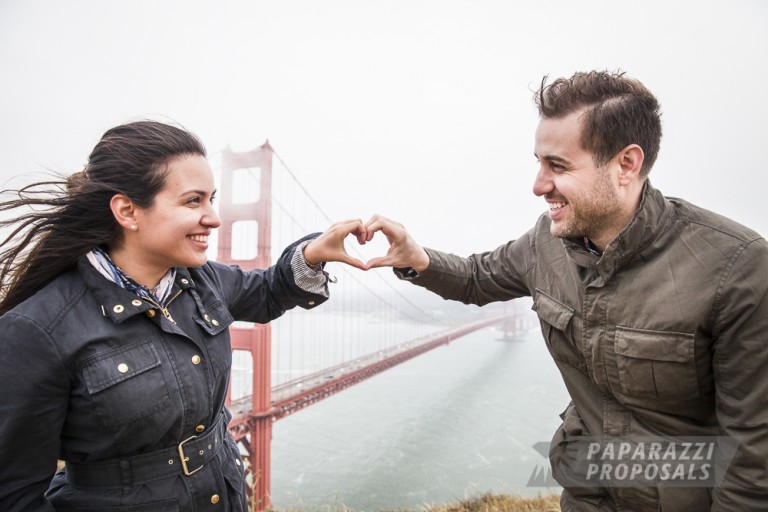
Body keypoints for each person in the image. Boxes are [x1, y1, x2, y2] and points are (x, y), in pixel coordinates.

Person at [364, 71, 768, 511]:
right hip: (586, 496)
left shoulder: (736, 268)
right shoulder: (545, 242)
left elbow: (752, 455)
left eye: (557, 166)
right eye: (538, 162)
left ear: (626, 165)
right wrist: (417, 260)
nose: (538, 185)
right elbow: (478, 278)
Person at [0, 120, 367, 511]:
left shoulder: (200, 280)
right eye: (194, 201)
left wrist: (311, 254)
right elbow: (14, 497)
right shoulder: (37, 329)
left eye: (212, 199)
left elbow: (268, 292)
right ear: (127, 211)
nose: (214, 218)